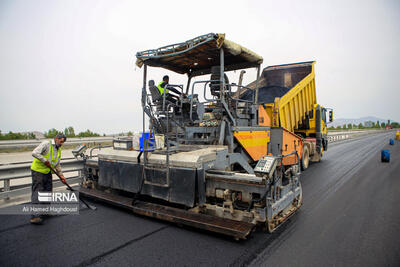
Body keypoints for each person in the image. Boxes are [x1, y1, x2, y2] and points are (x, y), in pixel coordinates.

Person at [30, 133, 67, 224]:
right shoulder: (46, 144)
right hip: (38, 171)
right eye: (61, 141)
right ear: (56, 139)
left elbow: (57, 164)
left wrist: (61, 175)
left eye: (63, 142)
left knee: (47, 192)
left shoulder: (58, 149)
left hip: (48, 172)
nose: (62, 143)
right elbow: (34, 153)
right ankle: (35, 217)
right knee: (38, 192)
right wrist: (44, 161)